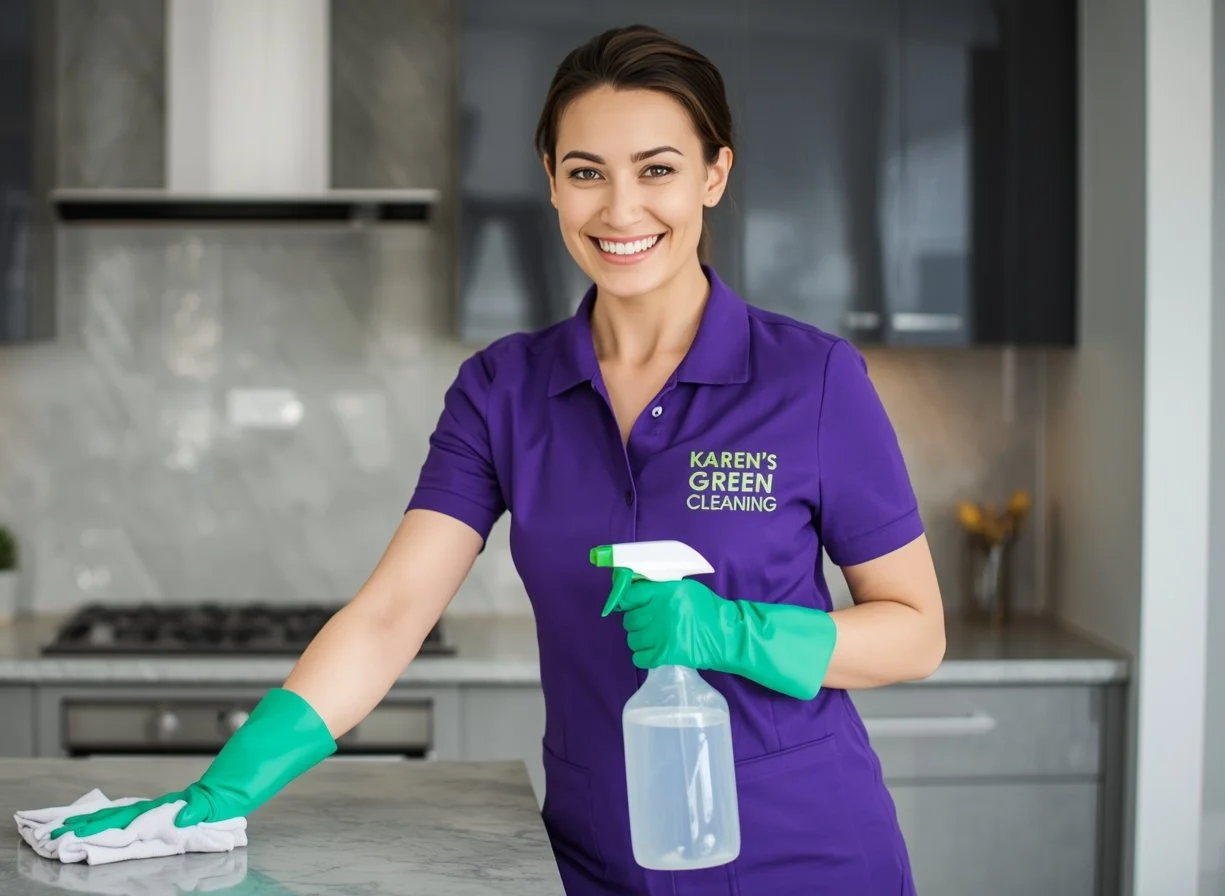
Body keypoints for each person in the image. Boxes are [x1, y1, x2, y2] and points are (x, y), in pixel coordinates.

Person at [52, 23, 946, 896]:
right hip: (597, 857)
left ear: (715, 175)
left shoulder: (811, 380)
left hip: (805, 854)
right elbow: (391, 616)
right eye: (586, 172)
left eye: (658, 170)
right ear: (551, 185)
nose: (620, 209)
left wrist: (732, 632)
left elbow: (916, 631)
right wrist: (224, 791)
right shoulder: (505, 390)